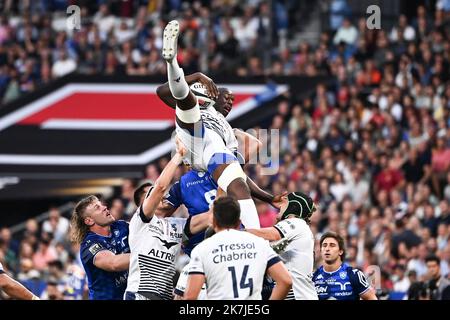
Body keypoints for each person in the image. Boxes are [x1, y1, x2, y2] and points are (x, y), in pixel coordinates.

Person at [159, 20, 260, 229]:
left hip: (212, 154)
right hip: (194, 136)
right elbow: (161, 92)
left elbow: (244, 158)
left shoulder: (227, 129)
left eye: (233, 101)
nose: (230, 102)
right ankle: (172, 63)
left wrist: (268, 198)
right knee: (186, 101)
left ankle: (256, 236)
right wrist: (196, 76)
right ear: (213, 94)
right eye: (227, 97)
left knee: (239, 185)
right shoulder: (205, 106)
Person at [124, 140, 212, 300]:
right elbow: (159, 188)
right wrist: (178, 155)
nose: (160, 195)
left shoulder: (178, 225)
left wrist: (221, 175)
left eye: (154, 191)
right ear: (142, 204)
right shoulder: (140, 222)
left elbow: (212, 216)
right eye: (149, 194)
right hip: (140, 294)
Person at [183, 196, 292, 300]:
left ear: (214, 222)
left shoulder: (202, 249)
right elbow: (285, 280)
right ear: (239, 223)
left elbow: (190, 296)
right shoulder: (259, 243)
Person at [246, 192, 318, 300]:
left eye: (283, 203)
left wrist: (234, 232)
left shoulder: (297, 223)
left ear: (293, 206)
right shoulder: (295, 233)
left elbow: (271, 234)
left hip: (299, 297)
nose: (279, 206)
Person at [70, 195, 130, 300]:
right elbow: (113, 263)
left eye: (101, 204)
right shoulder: (89, 245)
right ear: (89, 221)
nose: (104, 207)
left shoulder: (121, 226)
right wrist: (147, 254)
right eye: (97, 207)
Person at [312, 231, 378, 300]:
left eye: (332, 245)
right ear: (320, 250)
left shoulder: (354, 275)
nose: (327, 249)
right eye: (324, 245)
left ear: (340, 251)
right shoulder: (314, 277)